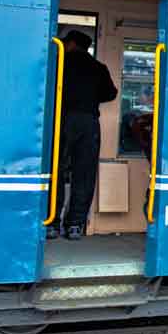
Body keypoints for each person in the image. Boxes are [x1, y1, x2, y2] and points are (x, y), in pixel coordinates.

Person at [48, 30, 117, 240]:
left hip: (62, 120)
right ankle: (75, 225)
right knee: (84, 174)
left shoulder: (59, 64)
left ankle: (51, 223)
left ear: (71, 44)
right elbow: (110, 93)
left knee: (55, 171)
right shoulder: (98, 68)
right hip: (89, 122)